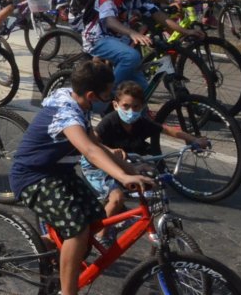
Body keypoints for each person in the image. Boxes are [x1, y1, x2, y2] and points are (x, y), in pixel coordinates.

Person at [11, 59, 152, 295]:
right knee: (78, 231)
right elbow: (89, 150)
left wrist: (132, 170)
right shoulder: (67, 114)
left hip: (59, 174)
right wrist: (122, 176)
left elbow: (97, 144)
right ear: (91, 96)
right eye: (108, 95)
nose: (109, 100)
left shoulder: (77, 101)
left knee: (94, 220)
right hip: (33, 177)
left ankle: (48, 250)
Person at [82, 81, 209, 229]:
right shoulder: (109, 121)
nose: (130, 111)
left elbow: (167, 130)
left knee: (151, 178)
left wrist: (194, 140)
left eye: (135, 107)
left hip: (124, 163)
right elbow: (91, 144)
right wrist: (110, 151)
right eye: (126, 106)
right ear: (116, 105)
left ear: (141, 107)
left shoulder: (141, 122)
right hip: (97, 165)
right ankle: (99, 234)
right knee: (117, 198)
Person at [81, 0, 200, 89]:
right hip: (97, 39)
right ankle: (108, 93)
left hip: (120, 40)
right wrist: (133, 33)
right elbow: (110, 21)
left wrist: (185, 31)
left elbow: (157, 14)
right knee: (132, 57)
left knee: (141, 89)